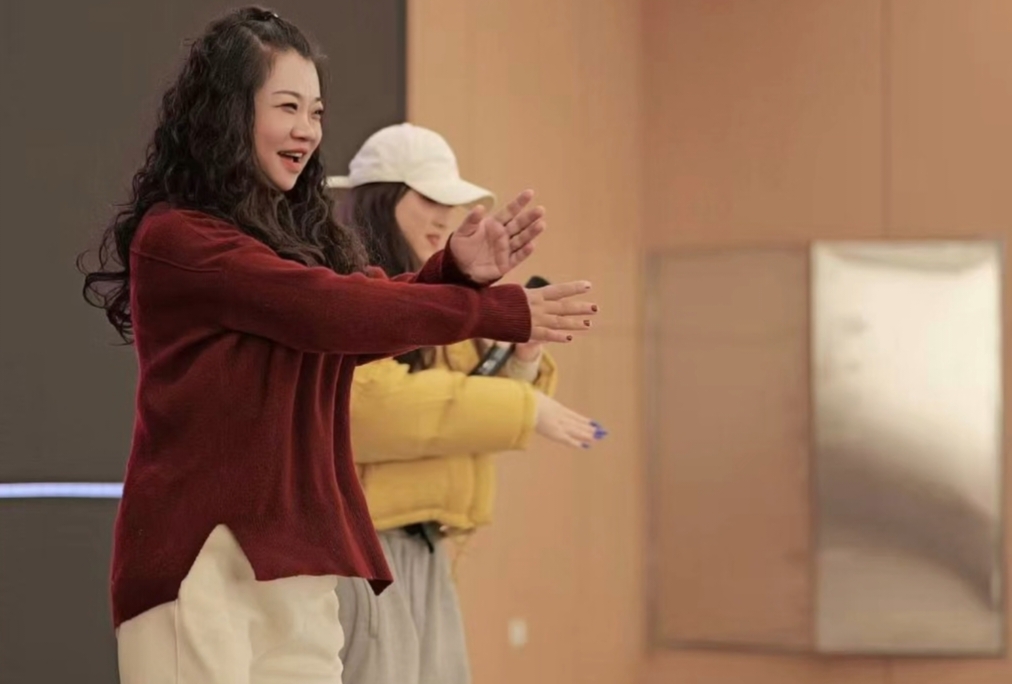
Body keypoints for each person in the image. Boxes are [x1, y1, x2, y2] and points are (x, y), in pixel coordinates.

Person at [77, 8, 597, 684]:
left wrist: (453, 274)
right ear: (228, 111)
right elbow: (328, 309)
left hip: (297, 564)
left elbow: (346, 312)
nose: (307, 129)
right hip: (198, 564)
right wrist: (493, 309)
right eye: (287, 106)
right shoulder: (179, 238)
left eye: (316, 112)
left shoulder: (287, 243)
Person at [328, 123, 608, 684]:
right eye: (429, 199)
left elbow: (465, 403)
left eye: (450, 203)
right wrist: (524, 408)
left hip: (430, 548)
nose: (444, 218)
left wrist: (524, 360)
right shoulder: (341, 282)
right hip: (364, 552)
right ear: (381, 199)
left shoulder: (440, 295)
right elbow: (367, 408)